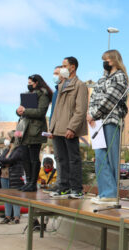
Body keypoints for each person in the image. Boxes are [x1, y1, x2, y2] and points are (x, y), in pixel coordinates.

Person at [87, 50, 129, 205]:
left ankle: (111, 193)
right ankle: (105, 192)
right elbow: (93, 98)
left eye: (108, 60)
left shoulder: (120, 76)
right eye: (103, 60)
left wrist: (94, 114)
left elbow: (111, 98)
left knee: (111, 157)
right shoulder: (101, 79)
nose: (105, 63)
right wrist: (90, 114)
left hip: (110, 120)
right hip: (96, 122)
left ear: (115, 60)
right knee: (99, 158)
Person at [49, 56, 88, 199]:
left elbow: (81, 110)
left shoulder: (80, 85)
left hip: (69, 129)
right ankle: (63, 187)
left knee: (73, 159)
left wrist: (72, 128)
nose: (62, 68)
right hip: (57, 128)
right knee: (61, 159)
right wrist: (51, 128)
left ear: (73, 67)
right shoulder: (60, 86)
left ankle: (76, 189)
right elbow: (56, 109)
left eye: (64, 65)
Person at [16, 74, 52, 192]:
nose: (29, 84)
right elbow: (22, 110)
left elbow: (41, 112)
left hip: (36, 130)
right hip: (25, 130)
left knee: (33, 157)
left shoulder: (43, 95)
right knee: (25, 156)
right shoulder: (28, 95)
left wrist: (25, 111)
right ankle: (29, 181)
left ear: (37, 83)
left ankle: (32, 183)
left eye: (31, 82)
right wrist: (18, 111)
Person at [0, 131, 24, 224]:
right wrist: (5, 162)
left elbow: (11, 159)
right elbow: (0, 160)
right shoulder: (6, 149)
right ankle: (7, 216)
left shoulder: (19, 149)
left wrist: (5, 161)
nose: (6, 140)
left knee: (15, 197)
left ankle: (16, 217)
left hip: (14, 176)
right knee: (6, 197)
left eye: (8, 138)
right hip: (3, 176)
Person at [47, 65, 63, 193]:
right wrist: (50, 128)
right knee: (57, 157)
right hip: (54, 128)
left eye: (57, 73)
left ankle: (63, 183)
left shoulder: (64, 90)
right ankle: (59, 182)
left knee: (63, 157)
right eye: (53, 73)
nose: (54, 76)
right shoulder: (55, 92)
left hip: (62, 127)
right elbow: (52, 111)